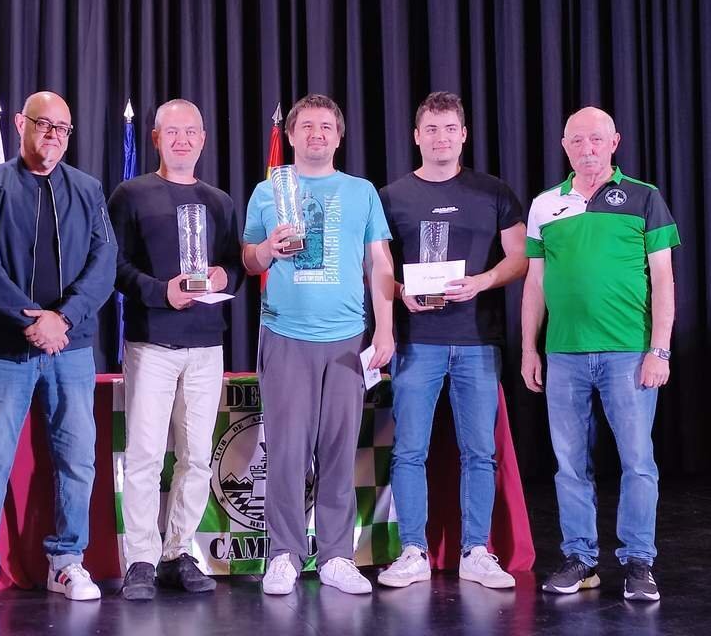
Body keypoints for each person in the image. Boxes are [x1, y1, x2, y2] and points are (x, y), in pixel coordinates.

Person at [0, 91, 117, 609]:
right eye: (44, 124)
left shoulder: (88, 189)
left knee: (78, 458)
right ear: (21, 124)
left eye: (62, 128)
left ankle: (66, 561)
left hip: (71, 346)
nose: (53, 135)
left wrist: (62, 319)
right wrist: (32, 322)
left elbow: (105, 262)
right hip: (3, 347)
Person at [521, 106, 678, 601]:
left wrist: (660, 350)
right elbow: (534, 283)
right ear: (564, 146)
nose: (586, 149)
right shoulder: (545, 205)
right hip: (564, 354)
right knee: (569, 465)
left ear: (615, 142)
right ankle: (580, 560)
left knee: (638, 462)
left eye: (596, 139)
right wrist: (529, 348)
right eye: (576, 140)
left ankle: (639, 563)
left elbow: (664, 279)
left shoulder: (645, 198)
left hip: (629, 353)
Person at [241, 93, 396, 596]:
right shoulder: (268, 189)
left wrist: (386, 328)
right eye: (306, 125)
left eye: (326, 126)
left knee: (338, 451)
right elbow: (248, 259)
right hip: (285, 334)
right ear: (290, 135)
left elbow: (379, 262)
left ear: (339, 136)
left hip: (347, 339)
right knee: (286, 452)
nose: (316, 134)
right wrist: (266, 250)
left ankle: (336, 556)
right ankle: (283, 555)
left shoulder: (362, 191)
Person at [376, 92, 526, 590]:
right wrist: (401, 292)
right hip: (417, 341)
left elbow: (520, 257)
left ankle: (476, 551)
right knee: (409, 450)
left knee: (480, 451)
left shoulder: (493, 191)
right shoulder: (391, 196)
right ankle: (413, 551)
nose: (441, 138)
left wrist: (482, 281)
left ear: (463, 135)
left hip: (478, 341)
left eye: (449, 129)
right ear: (416, 136)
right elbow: (377, 265)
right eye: (431, 129)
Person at [108, 98, 244, 600]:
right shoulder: (131, 194)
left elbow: (235, 265)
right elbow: (114, 265)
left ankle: (178, 551)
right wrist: (159, 292)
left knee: (198, 457)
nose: (182, 140)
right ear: (156, 139)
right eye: (172, 132)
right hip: (151, 342)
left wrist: (225, 276)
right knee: (144, 455)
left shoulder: (220, 201)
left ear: (203, 140)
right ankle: (140, 560)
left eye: (191, 132)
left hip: (207, 344)